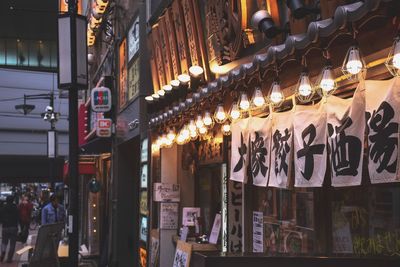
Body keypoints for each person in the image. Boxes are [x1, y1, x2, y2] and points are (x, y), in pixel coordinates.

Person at [0, 195, 19, 263]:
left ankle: (3, 253)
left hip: (5, 227)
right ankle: (9, 258)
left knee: (4, 242)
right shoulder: (15, 207)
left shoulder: (3, 207)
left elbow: (1, 217)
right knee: (12, 244)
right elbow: (18, 217)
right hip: (13, 227)